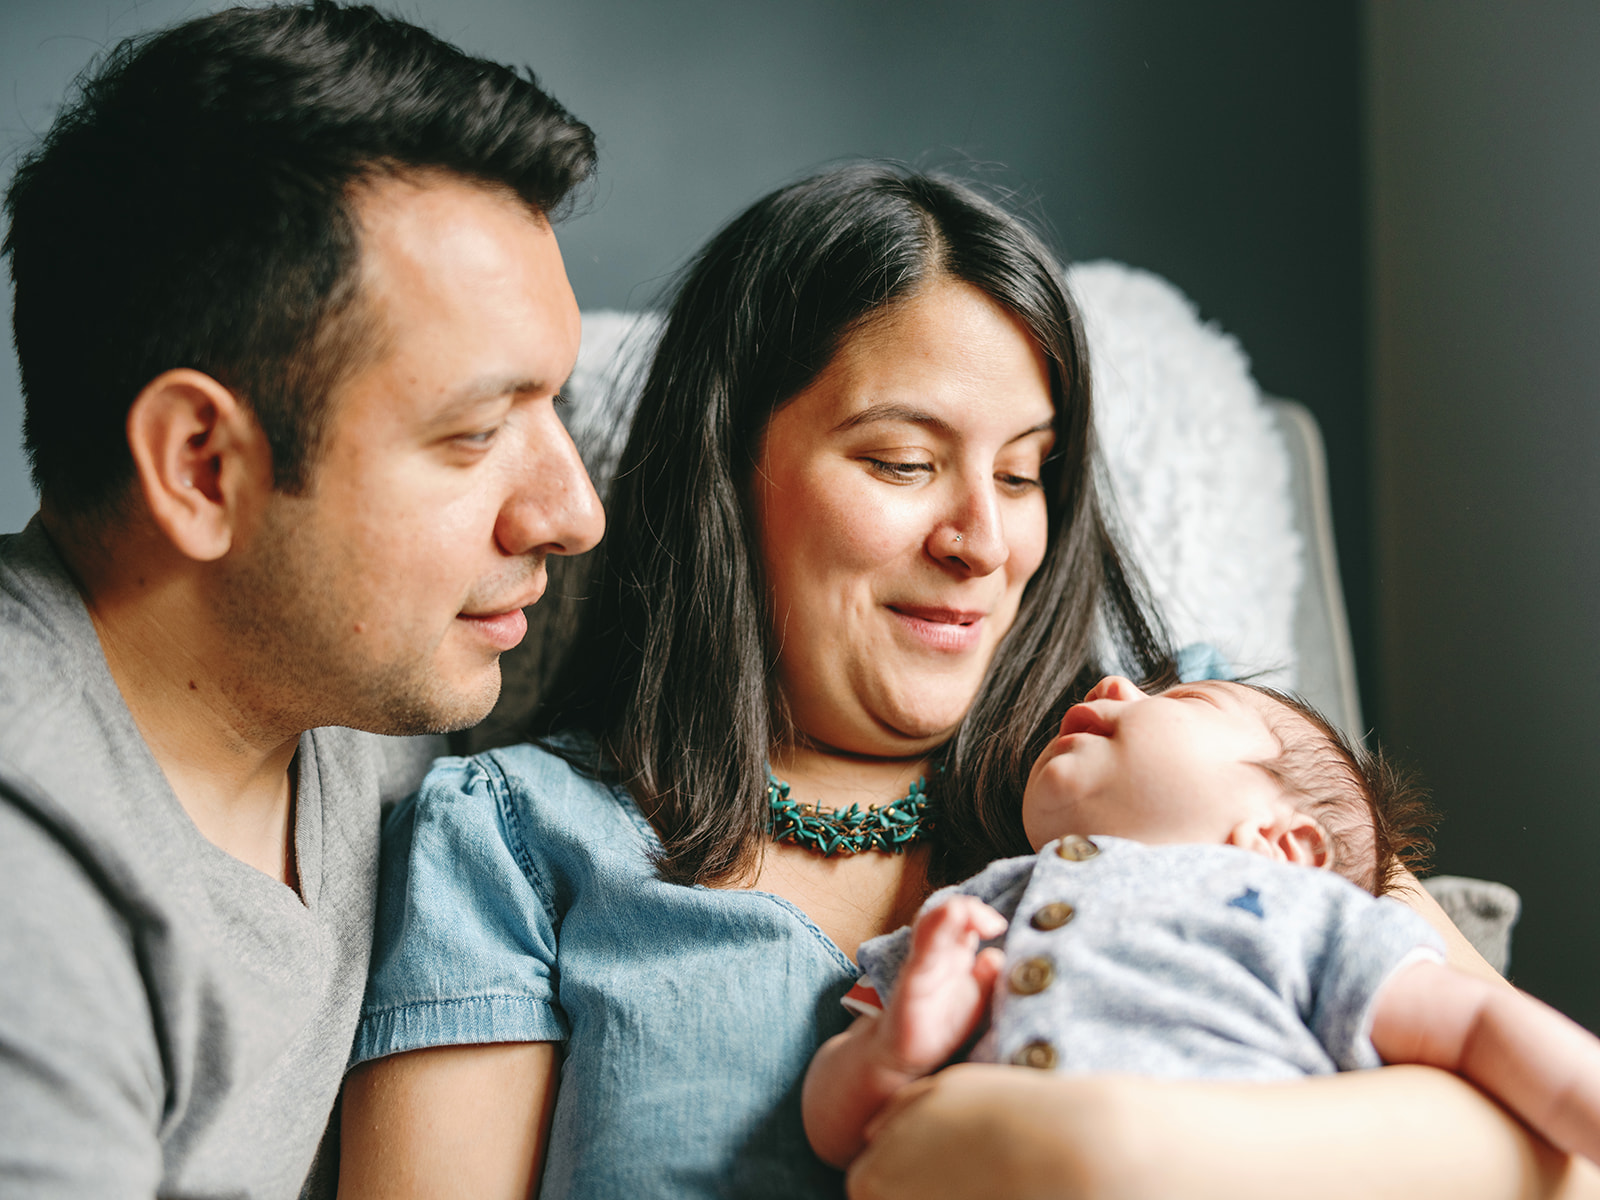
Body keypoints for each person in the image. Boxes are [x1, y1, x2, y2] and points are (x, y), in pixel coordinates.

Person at [340, 163, 1596, 1200]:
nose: (982, 546)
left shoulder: (1196, 759)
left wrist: (1093, 1156)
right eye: (899, 463)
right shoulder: (514, 840)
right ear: (723, 476)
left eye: (1022, 475)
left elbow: (1554, 1158)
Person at [0, 5, 604, 1197]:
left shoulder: (374, 668)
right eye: (476, 433)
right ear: (202, 467)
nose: (571, 513)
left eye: (559, 409)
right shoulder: (34, 899)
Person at [803, 675, 1600, 1170]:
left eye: (1184, 698)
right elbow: (834, 1134)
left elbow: (1482, 1027)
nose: (1115, 682)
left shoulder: (1297, 918)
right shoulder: (968, 918)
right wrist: (888, 1050)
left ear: (1281, 845)